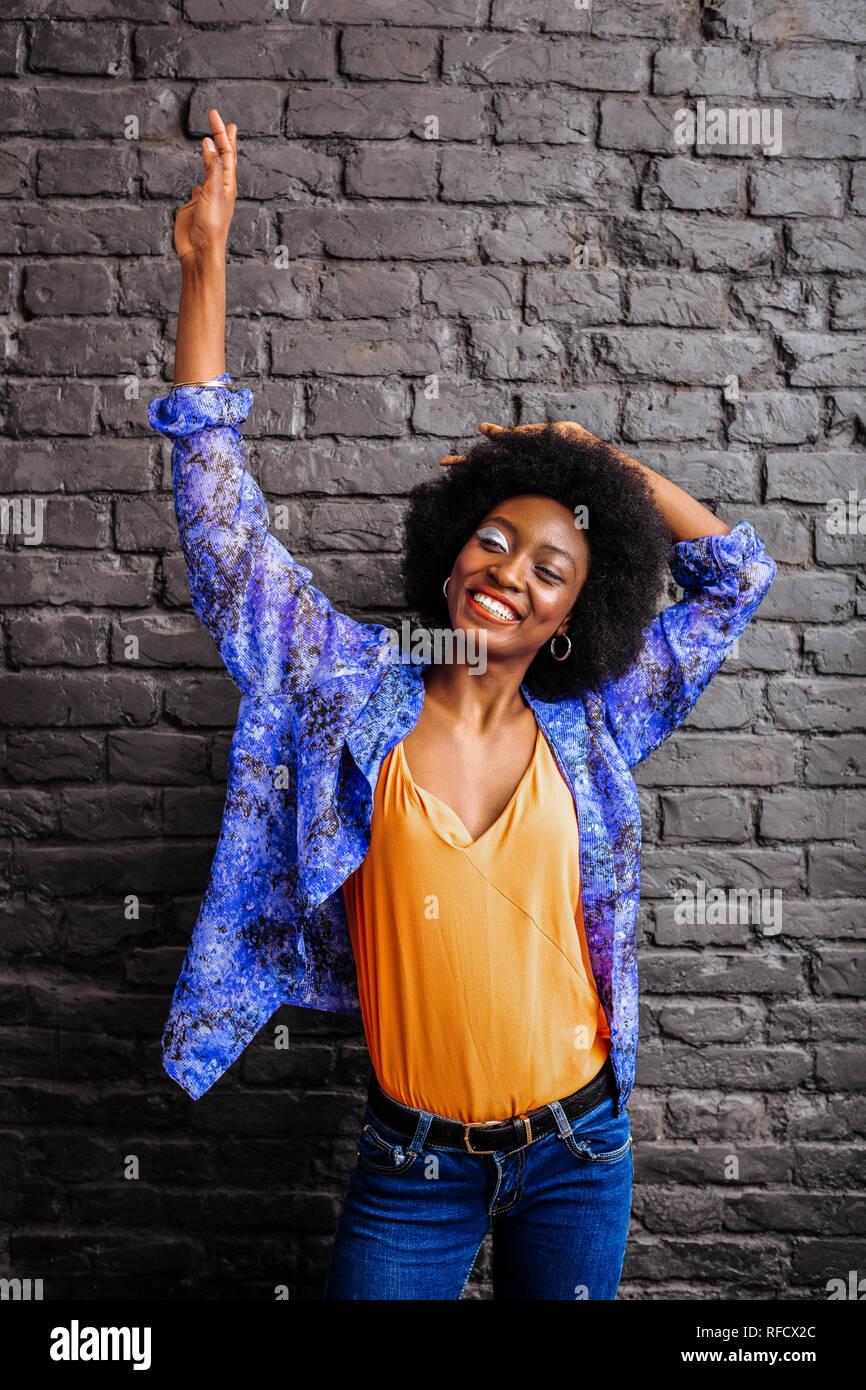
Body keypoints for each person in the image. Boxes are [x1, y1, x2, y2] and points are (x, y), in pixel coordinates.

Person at [148, 109, 778, 1300]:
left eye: (553, 567)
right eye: (495, 540)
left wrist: (594, 462)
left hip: (580, 1152)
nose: (513, 572)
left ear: (570, 620)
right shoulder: (343, 690)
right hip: (413, 1167)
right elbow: (224, 524)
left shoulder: (596, 720)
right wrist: (204, 268)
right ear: (450, 558)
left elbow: (734, 574)